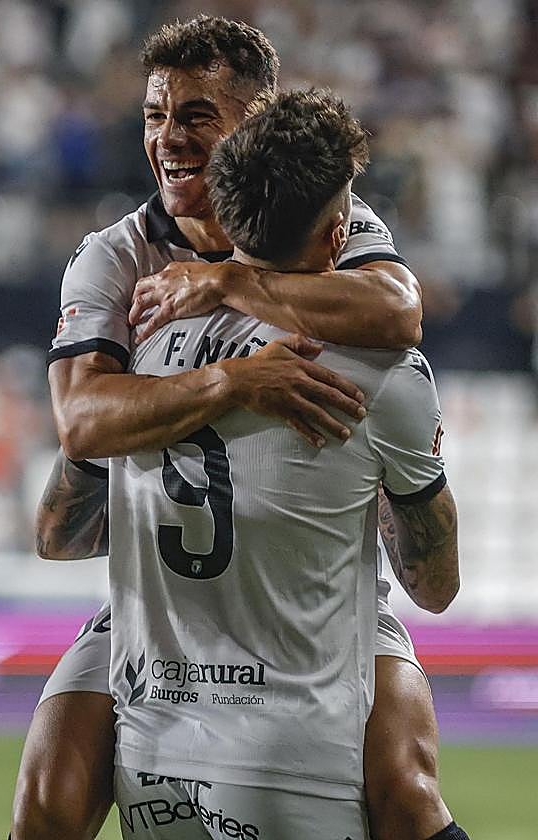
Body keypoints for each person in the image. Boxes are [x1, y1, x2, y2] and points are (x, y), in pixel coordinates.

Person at [12, 16, 464, 840]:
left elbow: (399, 311)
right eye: (155, 115)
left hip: (315, 580)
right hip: (161, 584)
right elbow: (80, 420)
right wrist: (232, 379)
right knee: (46, 800)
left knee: (406, 789)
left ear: (253, 128)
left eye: (195, 116)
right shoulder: (114, 256)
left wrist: (223, 282)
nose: (167, 139)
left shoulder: (334, 216)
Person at [124, 86, 455, 838]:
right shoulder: (379, 373)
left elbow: (62, 529)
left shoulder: (139, 347)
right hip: (294, 748)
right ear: (340, 235)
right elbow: (434, 585)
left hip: (152, 747)